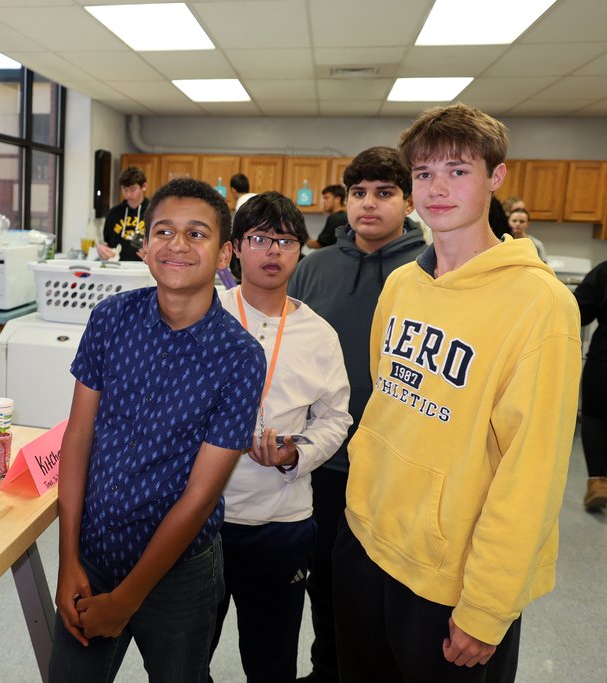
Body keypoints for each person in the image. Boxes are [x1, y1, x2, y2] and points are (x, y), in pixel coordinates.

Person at [333, 103, 581, 682]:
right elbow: (385, 406)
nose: (437, 188)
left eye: (458, 171)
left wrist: (488, 606)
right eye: (423, 174)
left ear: (496, 178)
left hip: (450, 580)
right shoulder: (402, 284)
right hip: (366, 543)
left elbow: (533, 473)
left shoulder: (540, 305)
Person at [50, 177, 266, 683]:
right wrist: (67, 560)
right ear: (145, 246)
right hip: (93, 552)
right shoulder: (110, 320)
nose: (177, 245)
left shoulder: (240, 358)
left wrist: (127, 599)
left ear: (224, 254)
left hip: (179, 576)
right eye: (164, 231)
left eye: (197, 234)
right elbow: (78, 438)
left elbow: (200, 494)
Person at [288, 146, 426, 683]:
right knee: (323, 581)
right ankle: (327, 673)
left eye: (385, 193)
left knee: (385, 588)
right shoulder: (312, 270)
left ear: (408, 201)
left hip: (397, 466)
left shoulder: (428, 272)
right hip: (325, 463)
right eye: (358, 193)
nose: (369, 204)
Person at [209, 192, 352, 682]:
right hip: (196, 520)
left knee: (272, 662)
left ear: (300, 251)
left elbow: (336, 418)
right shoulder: (205, 317)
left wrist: (297, 454)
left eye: (285, 241)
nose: (272, 251)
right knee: (180, 659)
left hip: (280, 520)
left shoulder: (319, 334)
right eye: (259, 239)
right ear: (234, 249)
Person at [573, 260, 607, 510]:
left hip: (604, 356)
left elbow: (579, 312)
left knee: (595, 417)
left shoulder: (604, 271)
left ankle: (598, 482)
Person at [97, 166, 149, 262]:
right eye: (125, 190)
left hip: (145, 269)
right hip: (117, 268)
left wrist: (154, 258)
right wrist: (100, 249)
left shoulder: (155, 212)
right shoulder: (113, 213)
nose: (128, 195)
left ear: (144, 187)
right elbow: (106, 243)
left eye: (133, 189)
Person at [306, 184, 347, 249]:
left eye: (326, 198)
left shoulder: (335, 218)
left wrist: (303, 237)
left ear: (337, 199)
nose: (323, 202)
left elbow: (320, 244)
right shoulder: (345, 216)